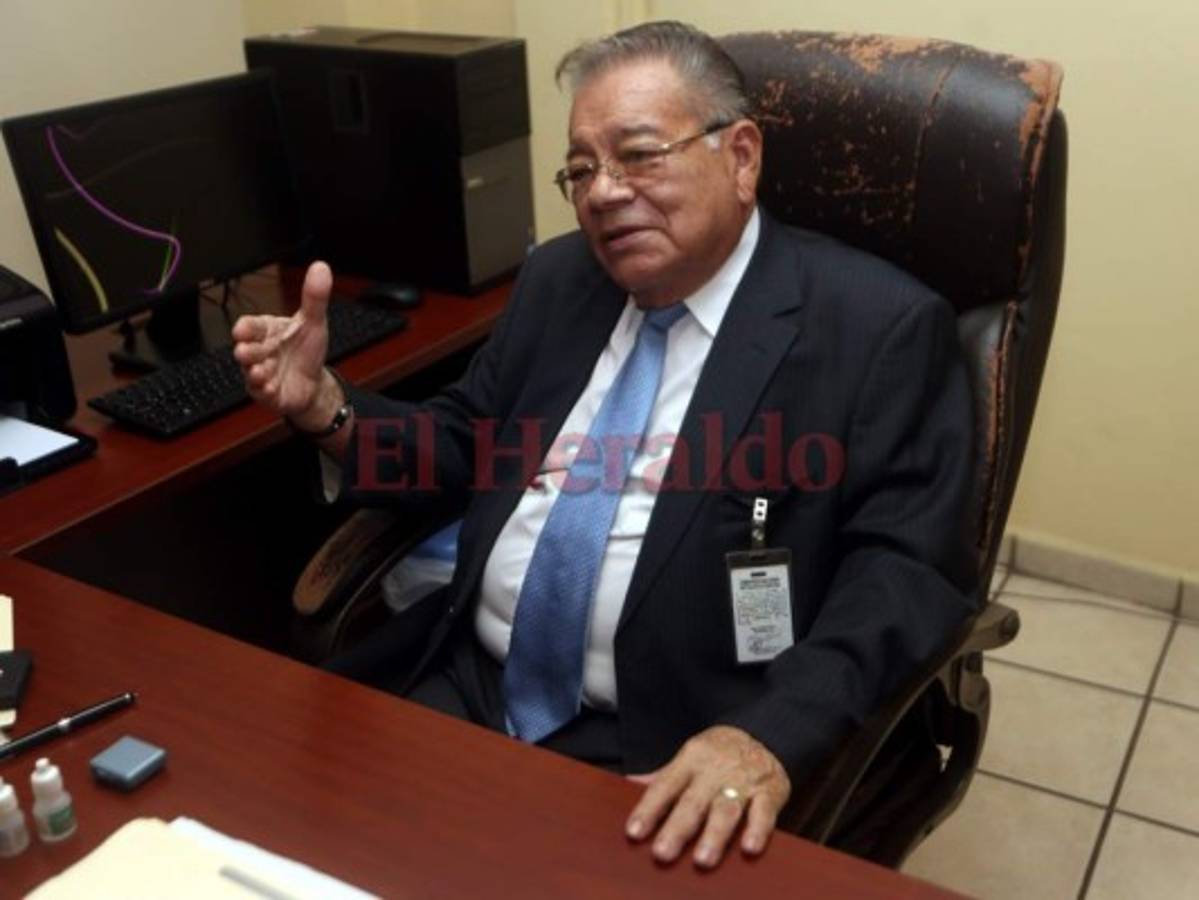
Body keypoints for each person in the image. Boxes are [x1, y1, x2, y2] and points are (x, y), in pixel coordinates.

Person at [232, 20, 978, 870]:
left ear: (740, 157)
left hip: (668, 741)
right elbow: (461, 446)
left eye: (638, 155)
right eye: (581, 170)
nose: (603, 192)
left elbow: (906, 572)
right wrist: (325, 406)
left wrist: (768, 734)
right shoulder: (561, 280)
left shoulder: (876, 328)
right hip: (466, 681)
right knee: (271, 831)